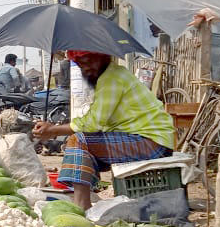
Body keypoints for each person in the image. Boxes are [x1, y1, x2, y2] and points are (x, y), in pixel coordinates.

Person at [33, 51, 175, 210]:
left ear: (102, 58)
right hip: (146, 139)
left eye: (89, 61)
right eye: (81, 64)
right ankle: (83, 203)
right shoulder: (110, 76)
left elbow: (93, 123)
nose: (86, 68)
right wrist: (53, 128)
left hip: (152, 141)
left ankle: (82, 207)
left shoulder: (111, 79)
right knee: (83, 145)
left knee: (79, 140)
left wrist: (53, 130)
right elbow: (94, 119)